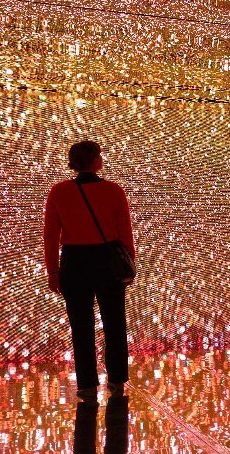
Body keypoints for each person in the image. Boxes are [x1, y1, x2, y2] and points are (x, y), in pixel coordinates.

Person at [44, 140, 136, 402]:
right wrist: (129, 262)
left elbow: (51, 236)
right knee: (115, 322)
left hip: (75, 261)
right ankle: (117, 380)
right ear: (96, 161)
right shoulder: (114, 191)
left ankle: (86, 384)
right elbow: (124, 232)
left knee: (81, 324)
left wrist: (53, 270)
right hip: (108, 260)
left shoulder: (59, 192)